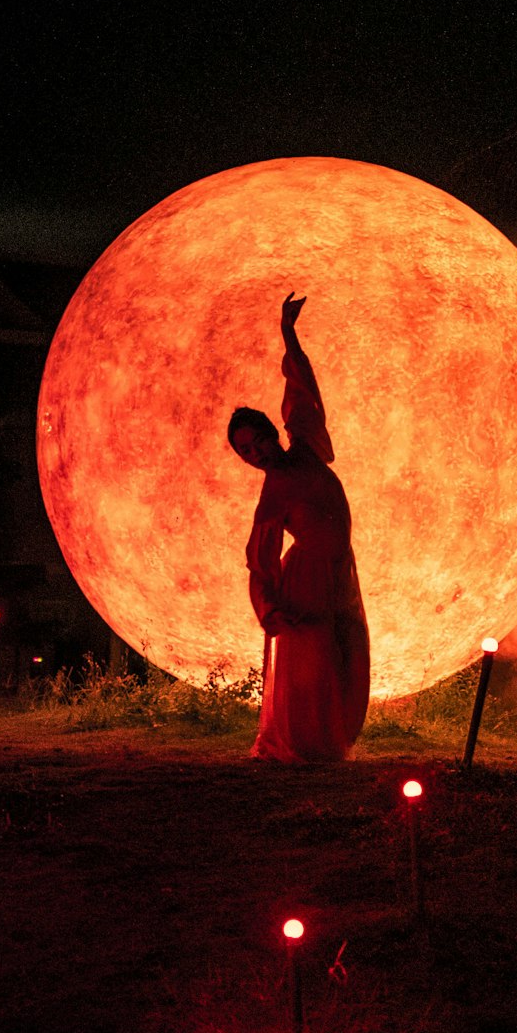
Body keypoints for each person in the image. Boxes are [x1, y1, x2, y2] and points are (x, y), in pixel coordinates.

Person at [228, 293, 369, 761]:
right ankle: (307, 744)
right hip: (307, 577)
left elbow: (305, 391)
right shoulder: (274, 492)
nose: (256, 455)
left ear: (272, 431)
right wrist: (269, 609)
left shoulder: (306, 448)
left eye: (258, 441)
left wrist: (288, 333)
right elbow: (259, 558)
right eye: (245, 453)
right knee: (314, 659)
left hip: (338, 570)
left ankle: (329, 740)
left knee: (346, 653)